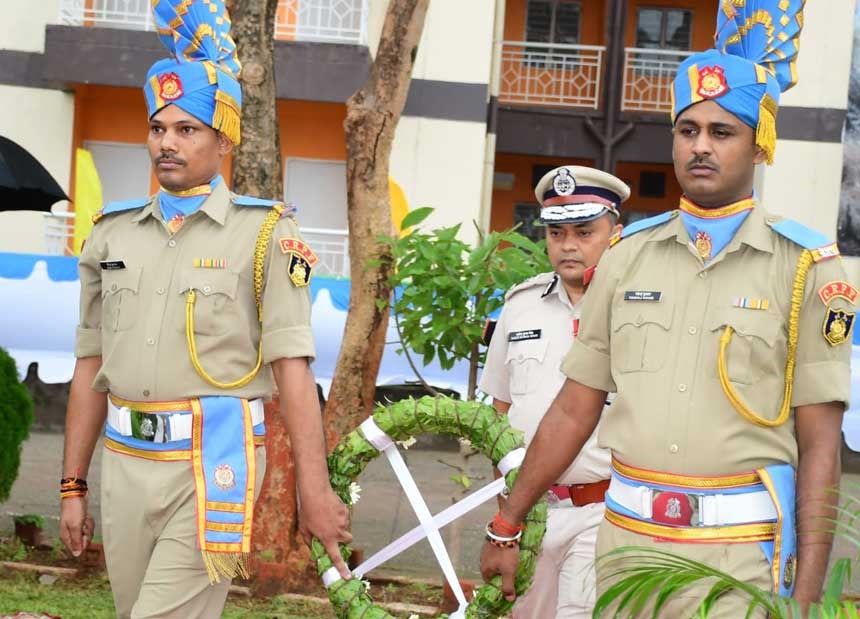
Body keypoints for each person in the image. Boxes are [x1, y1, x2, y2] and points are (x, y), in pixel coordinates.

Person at [480, 0, 853, 615]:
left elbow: (820, 448)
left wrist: (805, 599)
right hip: (625, 551)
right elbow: (575, 406)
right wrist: (509, 520)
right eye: (688, 131)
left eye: (722, 132)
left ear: (758, 145)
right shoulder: (627, 257)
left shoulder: (806, 270)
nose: (700, 147)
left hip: (740, 560)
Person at [58, 1, 352, 617]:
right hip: (125, 462)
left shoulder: (266, 234)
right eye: (158, 127)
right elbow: (91, 364)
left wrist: (313, 490)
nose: (166, 142)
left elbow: (294, 369)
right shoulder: (111, 235)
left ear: (223, 139)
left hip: (210, 464)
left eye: (186, 129)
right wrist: (72, 485)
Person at [479, 165, 627, 618]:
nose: (568, 244)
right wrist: (507, 512)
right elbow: (498, 415)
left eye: (585, 231)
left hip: (602, 510)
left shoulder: (636, 312)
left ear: (614, 233)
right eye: (556, 232)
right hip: (529, 510)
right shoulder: (520, 306)